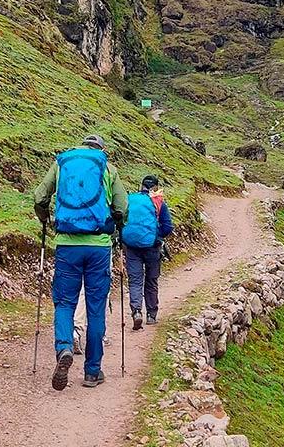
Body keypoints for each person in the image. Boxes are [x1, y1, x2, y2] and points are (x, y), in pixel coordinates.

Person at [34, 135, 127, 390]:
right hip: (98, 247)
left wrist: (45, 219)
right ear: (100, 151)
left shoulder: (62, 164)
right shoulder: (108, 168)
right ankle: (92, 372)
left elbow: (40, 196)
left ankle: (64, 347)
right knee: (95, 307)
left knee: (64, 302)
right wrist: (117, 226)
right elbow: (121, 207)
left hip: (67, 245)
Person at [122, 175, 173, 330]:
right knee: (151, 280)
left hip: (131, 247)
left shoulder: (129, 199)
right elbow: (168, 226)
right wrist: (157, 236)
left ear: (141, 185)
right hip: (152, 247)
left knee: (135, 280)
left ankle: (136, 311)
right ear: (155, 187)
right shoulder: (158, 202)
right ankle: (151, 315)